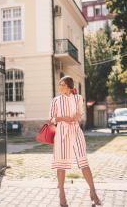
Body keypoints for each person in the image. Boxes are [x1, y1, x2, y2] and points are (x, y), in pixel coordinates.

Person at [49, 76, 101, 207]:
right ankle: (61, 193)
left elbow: (80, 113)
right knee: (61, 164)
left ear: (69, 86)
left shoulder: (78, 98)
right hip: (62, 133)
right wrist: (63, 118)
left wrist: (75, 117)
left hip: (76, 131)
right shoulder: (56, 100)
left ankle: (93, 191)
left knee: (84, 161)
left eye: (62, 85)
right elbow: (51, 119)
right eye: (59, 84)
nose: (60, 87)